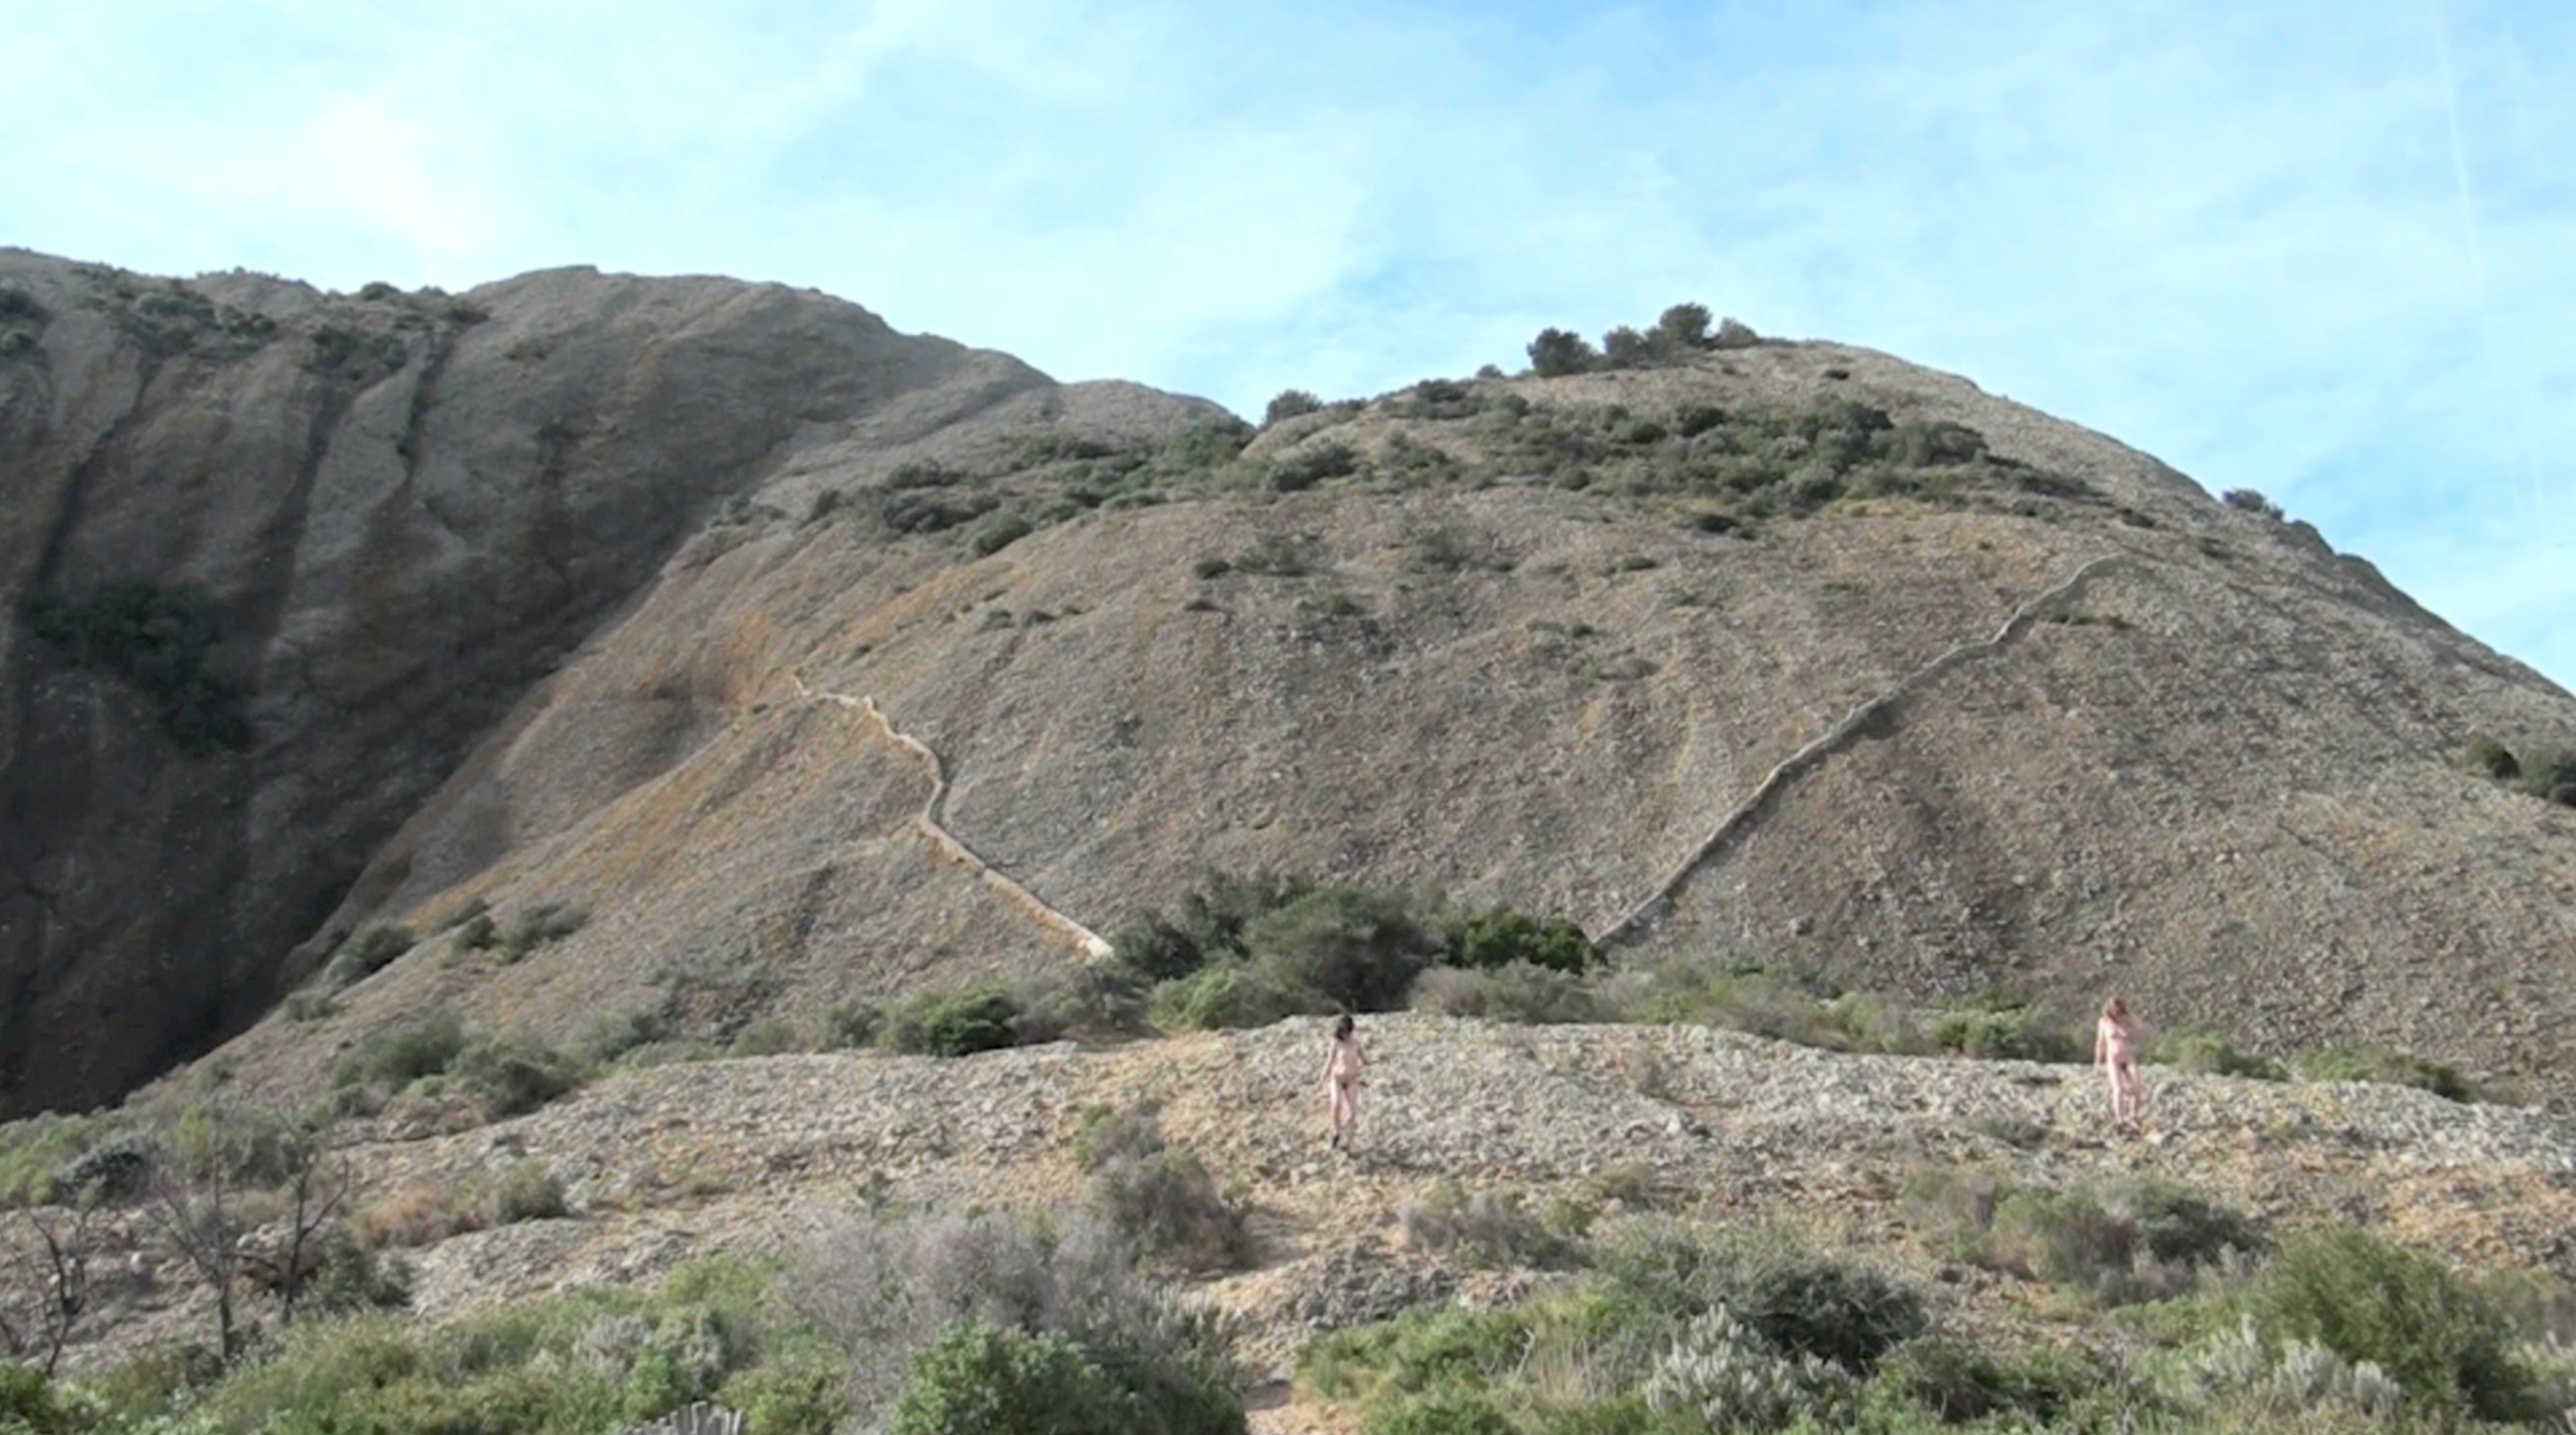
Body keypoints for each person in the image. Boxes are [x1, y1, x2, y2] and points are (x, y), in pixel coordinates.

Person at [2095, 997, 2143, 1130]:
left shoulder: (2126, 1020)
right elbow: (2100, 1043)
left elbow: (2140, 1026)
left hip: (2128, 1057)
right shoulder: (2104, 1022)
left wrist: (2128, 1016)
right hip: (2113, 1059)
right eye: (2114, 1009)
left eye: (2119, 1009)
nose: (2116, 1011)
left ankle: (2133, 1115)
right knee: (2118, 1089)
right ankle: (2120, 1119)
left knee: (2136, 1087)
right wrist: (2098, 1062)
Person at [1325, 1014, 1366, 1152]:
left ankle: (1348, 1139)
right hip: (1337, 1078)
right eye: (1343, 1031)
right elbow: (1329, 1062)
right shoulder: (1336, 1043)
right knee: (1336, 1104)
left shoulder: (1356, 1043)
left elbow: (1364, 1059)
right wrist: (1322, 1078)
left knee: (1352, 1112)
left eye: (1348, 1031)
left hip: (1352, 1078)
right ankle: (1336, 1131)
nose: (1346, 1035)